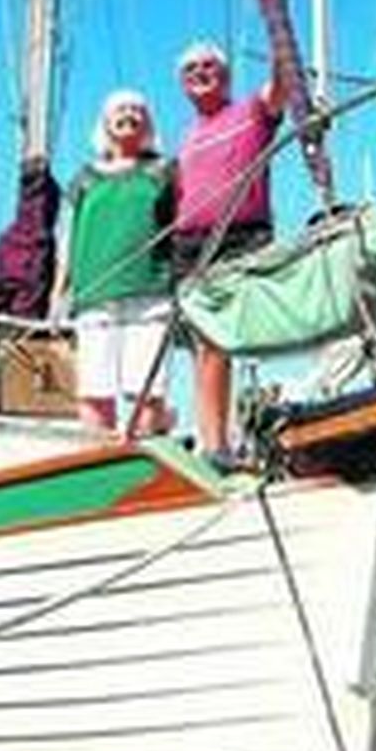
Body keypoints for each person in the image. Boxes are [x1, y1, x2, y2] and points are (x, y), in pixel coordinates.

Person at [172, 40, 287, 462]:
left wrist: (278, 34)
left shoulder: (250, 112)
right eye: (190, 70)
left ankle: (218, 444)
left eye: (209, 66)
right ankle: (210, 440)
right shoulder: (187, 138)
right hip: (188, 245)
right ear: (182, 85)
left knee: (218, 340)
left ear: (226, 74)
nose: (200, 73)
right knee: (201, 346)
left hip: (238, 237)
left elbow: (282, 86)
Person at [59, 90, 176, 433]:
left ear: (148, 123)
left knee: (147, 390)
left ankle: (147, 456)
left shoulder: (163, 171)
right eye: (120, 110)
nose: (129, 114)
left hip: (150, 291)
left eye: (138, 110)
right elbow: (68, 236)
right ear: (105, 123)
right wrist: (59, 290)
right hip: (94, 295)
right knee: (94, 391)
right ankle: (100, 460)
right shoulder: (84, 178)